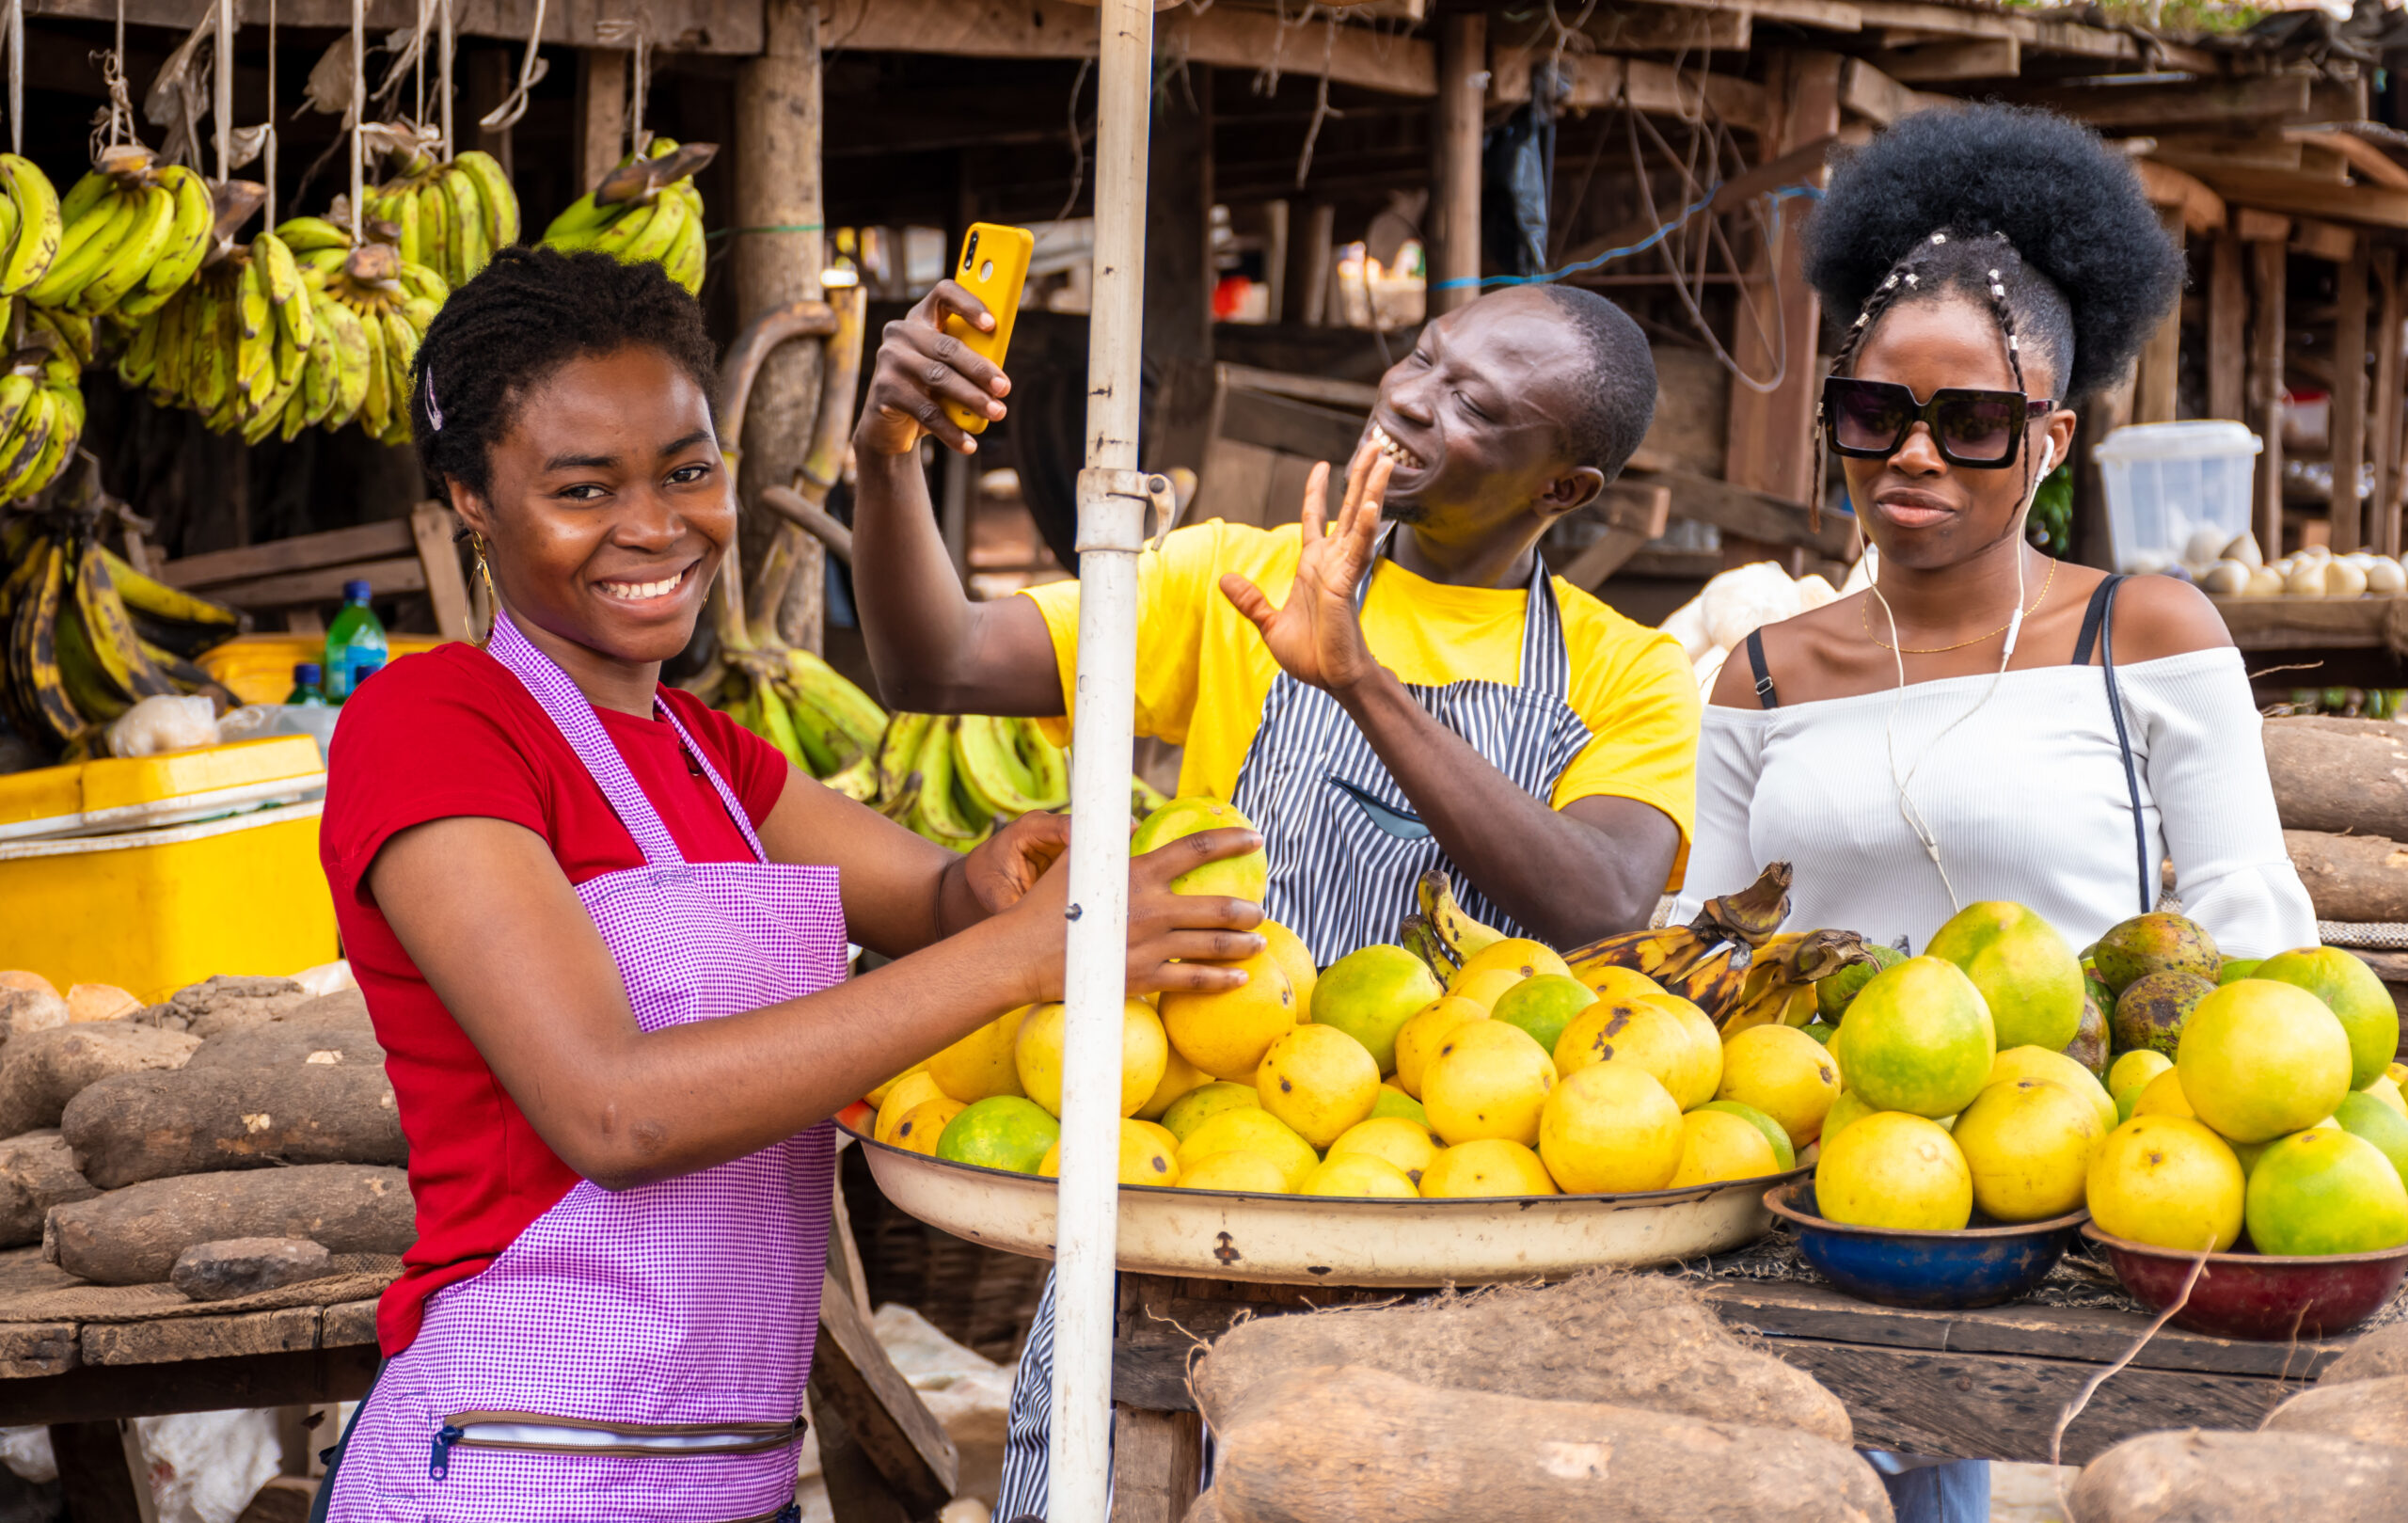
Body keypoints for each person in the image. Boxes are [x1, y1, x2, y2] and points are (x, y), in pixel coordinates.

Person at [309, 247, 1267, 1523]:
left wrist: (999, 882)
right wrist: (1029, 953)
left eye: (689, 472)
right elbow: (613, 1115)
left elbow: (937, 904)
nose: (656, 528)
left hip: (732, 1474)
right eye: (584, 489)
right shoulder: (429, 724)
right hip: (515, 1463)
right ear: (471, 502)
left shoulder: (710, 758)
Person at [848, 279, 1702, 1517]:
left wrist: (1358, 677)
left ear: (1562, 489)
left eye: (1474, 403)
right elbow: (933, 660)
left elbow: (1603, 904)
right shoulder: (1222, 581)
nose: (1410, 399)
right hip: (1185, 1191)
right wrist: (886, 459)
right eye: (1420, 358)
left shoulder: (1627, 673)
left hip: (1456, 1227)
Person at [1674, 105, 2317, 1523]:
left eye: (1970, 423)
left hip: (2080, 1209)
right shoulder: (1764, 671)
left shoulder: (2141, 632)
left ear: (2052, 438)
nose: (1913, 455)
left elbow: (2246, 926)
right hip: (1817, 1205)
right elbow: (1700, 956)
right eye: (1873, 412)